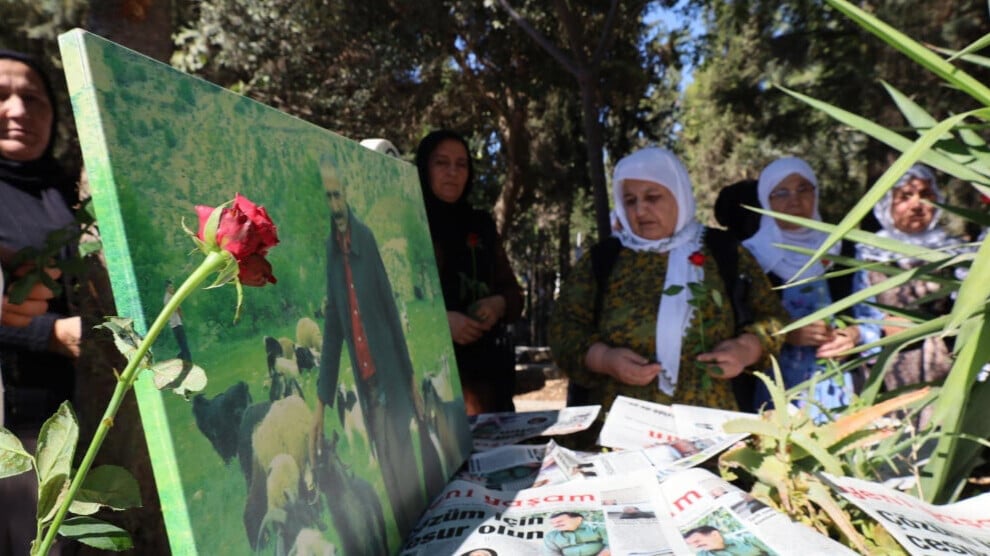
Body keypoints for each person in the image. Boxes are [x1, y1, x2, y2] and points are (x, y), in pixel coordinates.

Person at [549, 148, 786, 442]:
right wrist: (604, 359)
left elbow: (773, 318)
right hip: (619, 432)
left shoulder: (724, 252)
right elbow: (563, 329)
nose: (639, 211)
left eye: (652, 197)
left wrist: (745, 349)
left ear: (679, 194)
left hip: (714, 433)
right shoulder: (604, 259)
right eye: (630, 200)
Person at [311, 158, 441, 538]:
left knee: (402, 460)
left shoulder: (364, 238)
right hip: (366, 385)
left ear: (346, 195)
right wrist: (321, 401)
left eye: (338, 194)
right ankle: (412, 536)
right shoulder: (331, 252)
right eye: (328, 197)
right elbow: (334, 330)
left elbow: (386, 305)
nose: (335, 204)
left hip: (391, 377)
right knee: (387, 463)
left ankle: (425, 532)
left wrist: (411, 375)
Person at [0, 49, 82, 556]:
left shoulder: (72, 191)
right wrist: (49, 333)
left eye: (33, 99)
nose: (18, 110)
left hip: (76, 421)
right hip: (13, 432)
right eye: (2, 97)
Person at [741, 157, 862, 418]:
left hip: (838, 387)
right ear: (765, 200)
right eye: (780, 193)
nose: (794, 200)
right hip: (773, 391)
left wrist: (854, 335)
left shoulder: (843, 250)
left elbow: (869, 315)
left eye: (803, 189)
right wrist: (785, 333)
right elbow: (736, 322)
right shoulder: (749, 256)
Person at [415, 129, 523, 415]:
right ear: (424, 167)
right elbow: (391, 300)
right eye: (441, 163)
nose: (453, 172)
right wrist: (441, 322)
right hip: (429, 382)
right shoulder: (408, 221)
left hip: (489, 379)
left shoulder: (481, 225)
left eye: (461, 164)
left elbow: (513, 293)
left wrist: (498, 304)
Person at [854, 164, 963, 392]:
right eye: (905, 196)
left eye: (925, 195)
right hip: (885, 372)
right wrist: (881, 330)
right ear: (887, 202)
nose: (917, 205)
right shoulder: (867, 254)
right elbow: (856, 314)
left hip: (945, 371)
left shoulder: (954, 253)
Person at [543, 511, 610, 556]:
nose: (555, 525)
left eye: (560, 521)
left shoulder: (598, 528)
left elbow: (611, 545)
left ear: (578, 519)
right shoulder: (551, 536)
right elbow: (552, 553)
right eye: (553, 523)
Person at [682, 525, 772, 556]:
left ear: (715, 534)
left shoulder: (747, 539)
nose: (695, 546)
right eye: (691, 544)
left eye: (697, 541)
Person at [163, 279, 192, 361]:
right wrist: (181, 315)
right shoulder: (168, 298)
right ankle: (188, 360)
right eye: (170, 287)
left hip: (175, 323)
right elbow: (177, 309)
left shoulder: (169, 297)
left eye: (172, 287)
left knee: (182, 344)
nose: (173, 289)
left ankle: (181, 358)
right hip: (176, 324)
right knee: (183, 344)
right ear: (167, 288)